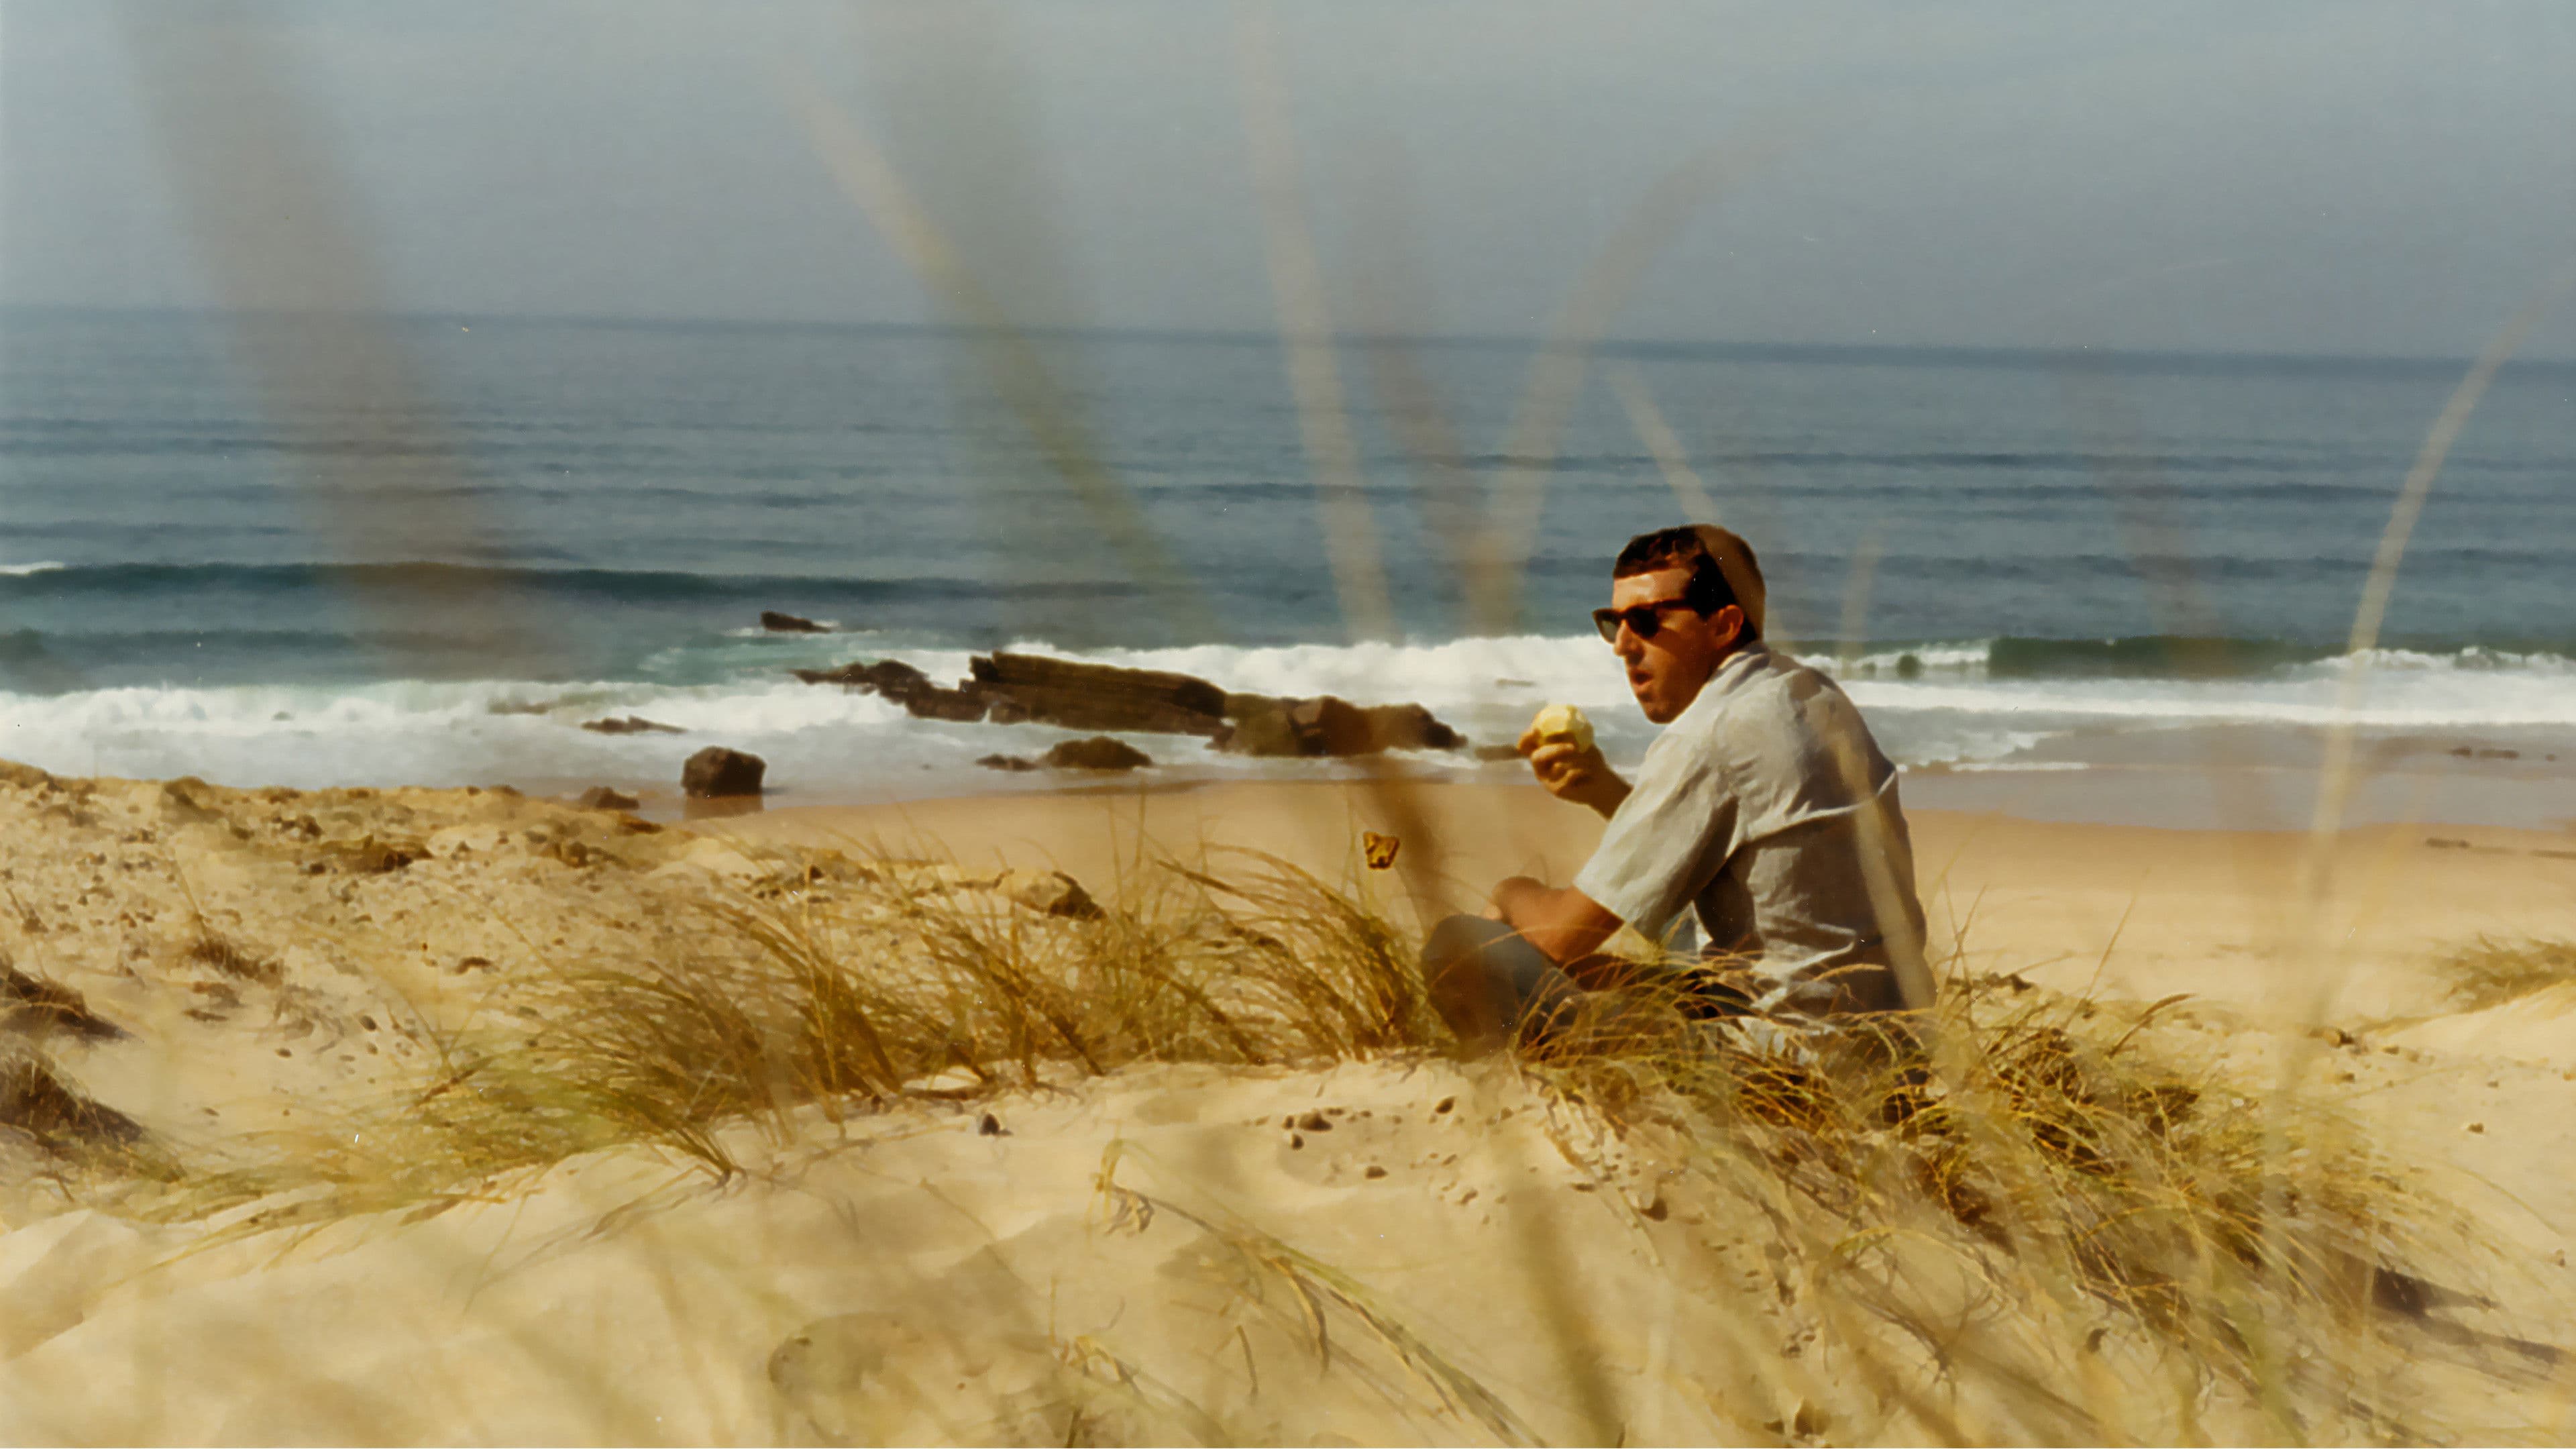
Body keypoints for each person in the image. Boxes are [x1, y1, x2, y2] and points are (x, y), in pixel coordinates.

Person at [1425, 524, 1931, 1050]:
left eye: (1646, 621)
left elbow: (1563, 937)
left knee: (1459, 947)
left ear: (1724, 625)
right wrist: (1601, 788)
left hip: (1784, 1064)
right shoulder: (1813, 697)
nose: (1623, 646)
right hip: (1892, 1053)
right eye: (1613, 623)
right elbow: (1701, 853)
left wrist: (1509, 893)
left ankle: (1516, 1076)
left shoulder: (1709, 735)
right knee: (1633, 956)